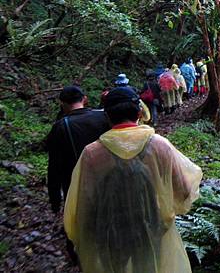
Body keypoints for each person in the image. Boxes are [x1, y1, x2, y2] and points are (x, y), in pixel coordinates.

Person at [64, 86, 203, 273]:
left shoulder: (92, 153)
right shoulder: (160, 145)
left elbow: (83, 205)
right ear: (139, 112)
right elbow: (184, 191)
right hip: (152, 228)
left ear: (107, 116)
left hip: (110, 233)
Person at [46, 85, 110, 214]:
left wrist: (55, 200)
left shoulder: (60, 126)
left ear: (62, 103)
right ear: (84, 99)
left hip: (76, 184)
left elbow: (54, 166)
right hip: (107, 179)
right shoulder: (104, 117)